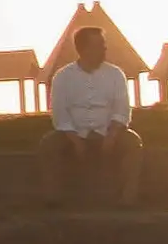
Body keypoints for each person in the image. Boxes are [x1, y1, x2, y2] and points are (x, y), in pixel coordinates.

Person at [49, 23, 142, 206]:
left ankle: (127, 200)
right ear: (84, 49)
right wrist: (74, 139)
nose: (105, 49)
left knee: (132, 142)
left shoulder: (116, 75)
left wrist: (112, 135)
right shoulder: (62, 77)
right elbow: (60, 113)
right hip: (72, 133)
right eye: (100, 45)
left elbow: (122, 109)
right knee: (48, 145)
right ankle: (54, 199)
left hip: (108, 131)